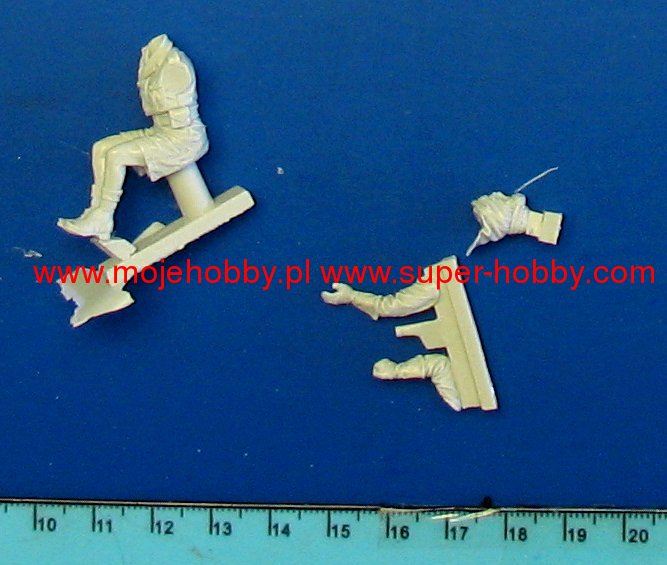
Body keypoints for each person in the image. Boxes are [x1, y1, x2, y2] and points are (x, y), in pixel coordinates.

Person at [58, 34, 209, 240]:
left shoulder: (175, 64)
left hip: (183, 136)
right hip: (162, 130)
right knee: (102, 148)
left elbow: (164, 103)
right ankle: (97, 211)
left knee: (117, 155)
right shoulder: (152, 61)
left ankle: (104, 216)